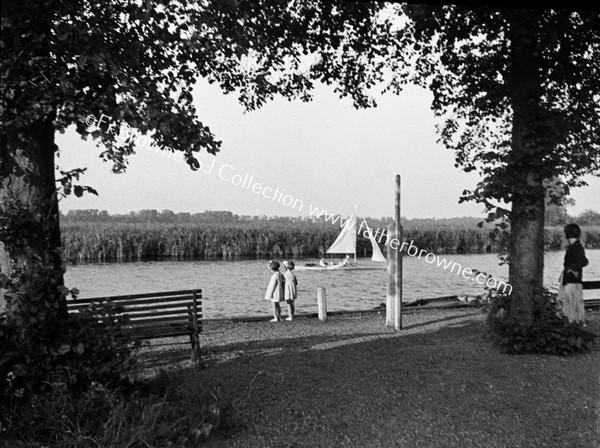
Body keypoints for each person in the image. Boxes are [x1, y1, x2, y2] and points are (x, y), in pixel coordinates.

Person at [557, 223, 589, 324]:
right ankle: (575, 320)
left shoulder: (576, 247)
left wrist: (572, 269)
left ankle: (572, 321)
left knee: (570, 300)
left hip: (572, 279)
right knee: (573, 300)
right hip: (571, 278)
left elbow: (584, 262)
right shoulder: (575, 246)